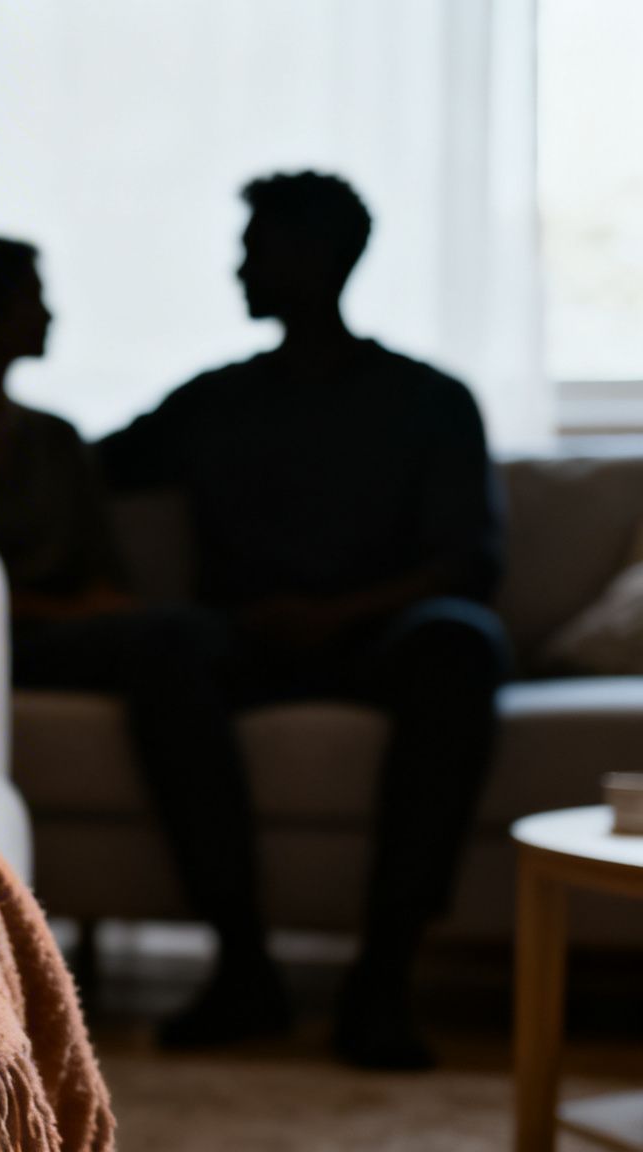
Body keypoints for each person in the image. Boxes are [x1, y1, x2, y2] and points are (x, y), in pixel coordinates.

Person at [99, 171, 509, 1069]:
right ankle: (244, 968)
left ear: (321, 259)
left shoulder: (431, 399)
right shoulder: (216, 398)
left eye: (256, 249)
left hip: (379, 640)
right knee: (163, 645)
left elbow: (470, 562)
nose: (238, 268)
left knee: (462, 643)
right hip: (244, 638)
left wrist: (337, 613)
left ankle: (383, 981)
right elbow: (80, 476)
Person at [0, 238, 283, 1054]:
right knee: (175, 643)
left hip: (75, 639)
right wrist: (63, 607)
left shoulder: (56, 439)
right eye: (30, 296)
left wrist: (92, 608)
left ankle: (245, 952)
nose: (47, 313)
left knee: (174, 646)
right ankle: (245, 953)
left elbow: (107, 574)